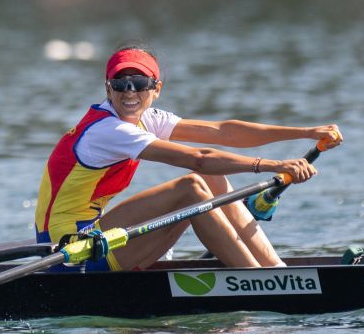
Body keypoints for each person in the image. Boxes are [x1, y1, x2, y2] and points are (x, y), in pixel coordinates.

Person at [34, 45, 342, 271]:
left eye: (139, 84)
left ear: (156, 89)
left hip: (96, 237)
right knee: (191, 188)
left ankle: (274, 270)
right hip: (69, 250)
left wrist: (306, 132)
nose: (129, 92)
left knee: (208, 179)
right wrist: (274, 165)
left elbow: (224, 132)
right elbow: (199, 158)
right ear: (108, 88)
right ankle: (259, 281)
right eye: (119, 84)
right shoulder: (107, 129)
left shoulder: (146, 119)